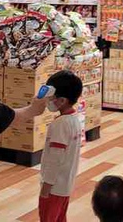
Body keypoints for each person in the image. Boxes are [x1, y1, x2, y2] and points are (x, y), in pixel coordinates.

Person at [39, 70, 84, 222]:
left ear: (62, 100)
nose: (49, 101)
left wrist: (46, 186)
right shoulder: (74, 120)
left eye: (52, 98)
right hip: (66, 185)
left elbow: (55, 159)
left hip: (54, 187)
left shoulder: (60, 124)